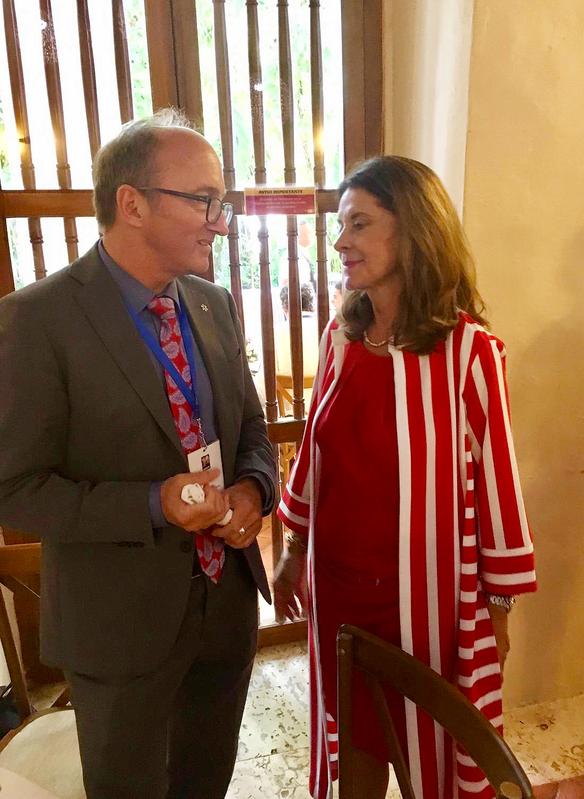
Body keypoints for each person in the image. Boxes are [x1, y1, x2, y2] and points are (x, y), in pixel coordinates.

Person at [0, 110, 276, 799]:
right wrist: (154, 503)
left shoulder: (213, 304)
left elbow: (251, 429)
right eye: (204, 200)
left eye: (224, 201)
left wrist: (251, 491)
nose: (220, 220)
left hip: (226, 603)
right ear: (132, 203)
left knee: (205, 779)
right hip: (117, 625)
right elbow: (17, 486)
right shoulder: (36, 320)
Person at [274, 155, 536, 799]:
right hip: (339, 596)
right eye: (340, 225)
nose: (340, 242)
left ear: (414, 230)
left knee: (432, 755)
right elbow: (315, 448)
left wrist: (496, 611)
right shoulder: (342, 335)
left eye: (359, 223)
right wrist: (292, 550)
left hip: (427, 606)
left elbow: (500, 485)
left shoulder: (470, 354)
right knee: (354, 749)